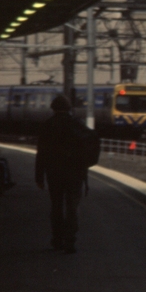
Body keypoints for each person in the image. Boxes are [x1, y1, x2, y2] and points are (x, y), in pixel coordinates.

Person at [35, 94, 87, 254]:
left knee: (56, 206)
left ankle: (57, 239)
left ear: (53, 108)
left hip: (54, 173)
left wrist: (39, 176)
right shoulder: (77, 124)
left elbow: (41, 153)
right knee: (72, 206)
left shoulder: (47, 125)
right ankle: (70, 241)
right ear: (69, 108)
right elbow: (85, 150)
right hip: (75, 173)